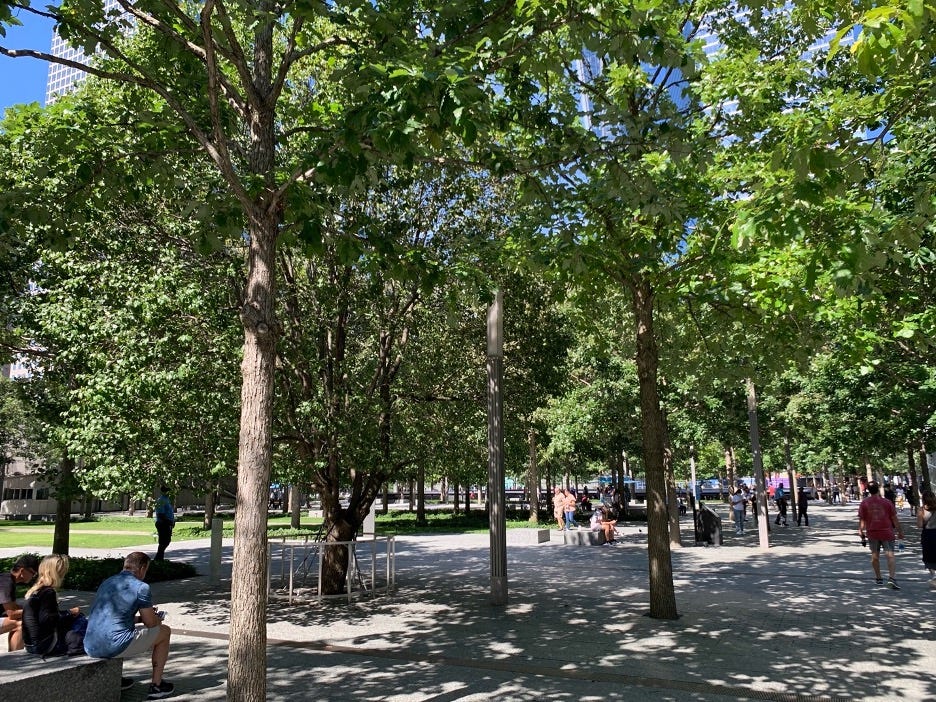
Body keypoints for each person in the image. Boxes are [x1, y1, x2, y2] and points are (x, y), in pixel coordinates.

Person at [84, 552, 175, 699]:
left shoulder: (107, 582)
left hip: (90, 644)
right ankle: (157, 686)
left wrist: (138, 619)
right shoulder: (141, 587)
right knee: (164, 632)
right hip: (113, 645)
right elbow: (151, 623)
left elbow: (114, 617)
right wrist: (157, 618)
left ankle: (116, 680)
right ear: (143, 568)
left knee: (121, 631)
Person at [22, 554, 85, 656]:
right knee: (80, 619)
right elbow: (48, 620)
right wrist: (70, 613)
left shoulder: (35, 591)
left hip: (30, 645)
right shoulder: (48, 592)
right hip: (44, 645)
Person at [857, 482, 904, 589]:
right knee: (890, 555)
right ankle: (892, 578)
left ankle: (878, 578)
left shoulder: (864, 503)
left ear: (868, 490)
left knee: (875, 556)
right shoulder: (887, 502)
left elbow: (862, 519)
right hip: (887, 532)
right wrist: (900, 531)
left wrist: (860, 530)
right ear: (878, 489)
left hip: (872, 532)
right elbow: (894, 519)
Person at [0, 554, 38, 651]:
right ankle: (13, 661)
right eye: (33, 573)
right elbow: (12, 614)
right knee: (21, 624)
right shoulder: (6, 583)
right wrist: (34, 610)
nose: (33, 577)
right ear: (22, 570)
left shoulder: (6, 579)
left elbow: (13, 607)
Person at [918, 490, 936, 589]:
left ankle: (934, 575)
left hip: (928, 535)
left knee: (928, 555)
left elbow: (920, 525)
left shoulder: (921, 510)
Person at [154, 486, 176, 561]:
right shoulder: (161, 501)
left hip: (167, 523)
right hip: (162, 523)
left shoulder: (167, 500)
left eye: (168, 491)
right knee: (163, 542)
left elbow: (169, 512)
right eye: (166, 491)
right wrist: (169, 522)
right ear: (162, 492)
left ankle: (159, 558)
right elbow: (160, 514)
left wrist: (172, 521)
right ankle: (158, 558)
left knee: (167, 541)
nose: (167, 492)